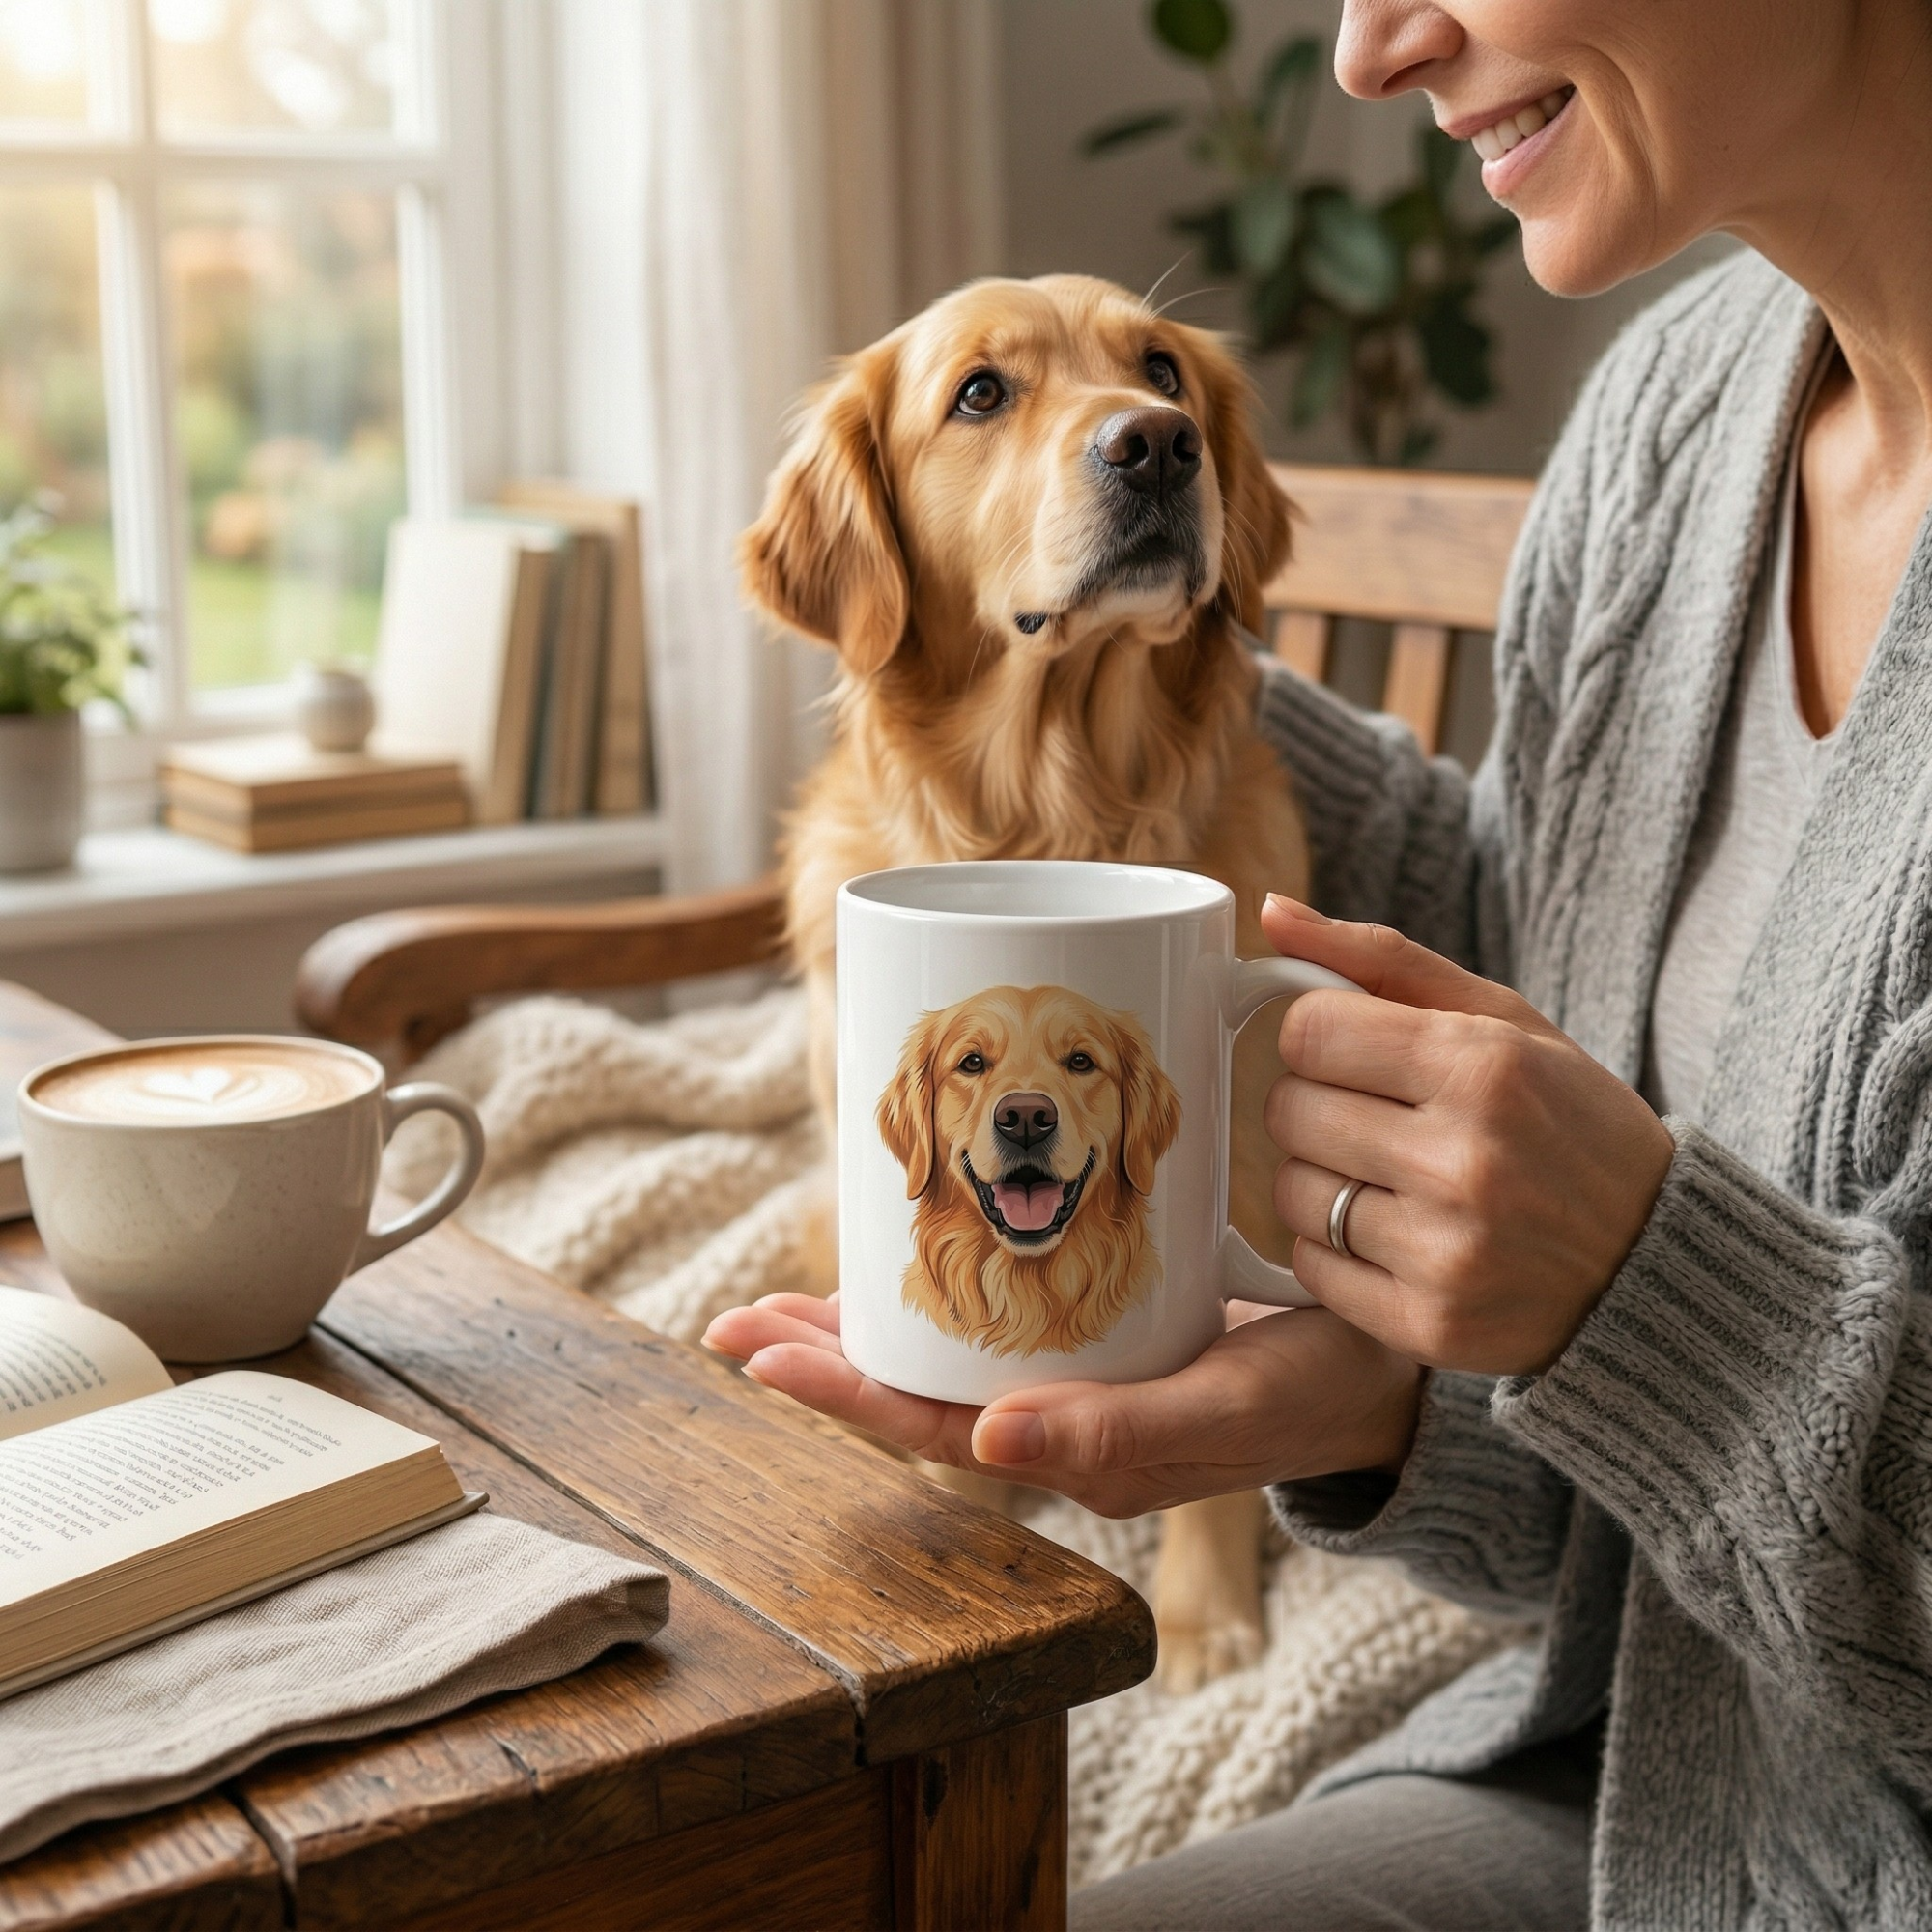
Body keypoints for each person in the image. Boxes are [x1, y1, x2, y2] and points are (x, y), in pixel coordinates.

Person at [705, 0, 1932, 1921]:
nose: (1369, 47)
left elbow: (1630, 1279)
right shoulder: (1670, 412)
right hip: (1607, 1729)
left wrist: (1645, 1300)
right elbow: (1563, 923)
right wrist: (1114, 801)